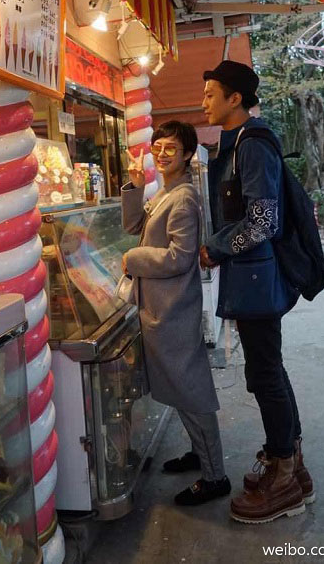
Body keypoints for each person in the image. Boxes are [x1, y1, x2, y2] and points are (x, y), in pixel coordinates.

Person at [200, 60, 314, 524]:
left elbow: (263, 221)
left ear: (235, 99)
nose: (204, 102)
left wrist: (216, 248)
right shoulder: (238, 143)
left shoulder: (251, 145)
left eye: (211, 94)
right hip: (251, 278)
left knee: (264, 373)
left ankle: (284, 477)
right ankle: (291, 463)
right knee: (269, 370)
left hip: (257, 281)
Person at [121, 120, 231, 506]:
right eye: (158, 147)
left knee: (192, 393)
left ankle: (215, 476)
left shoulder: (183, 197)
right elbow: (134, 225)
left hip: (173, 310)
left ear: (186, 154)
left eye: (171, 148)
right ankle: (200, 455)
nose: (163, 153)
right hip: (163, 307)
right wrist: (135, 186)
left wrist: (133, 259)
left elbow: (180, 257)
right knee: (183, 390)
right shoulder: (166, 192)